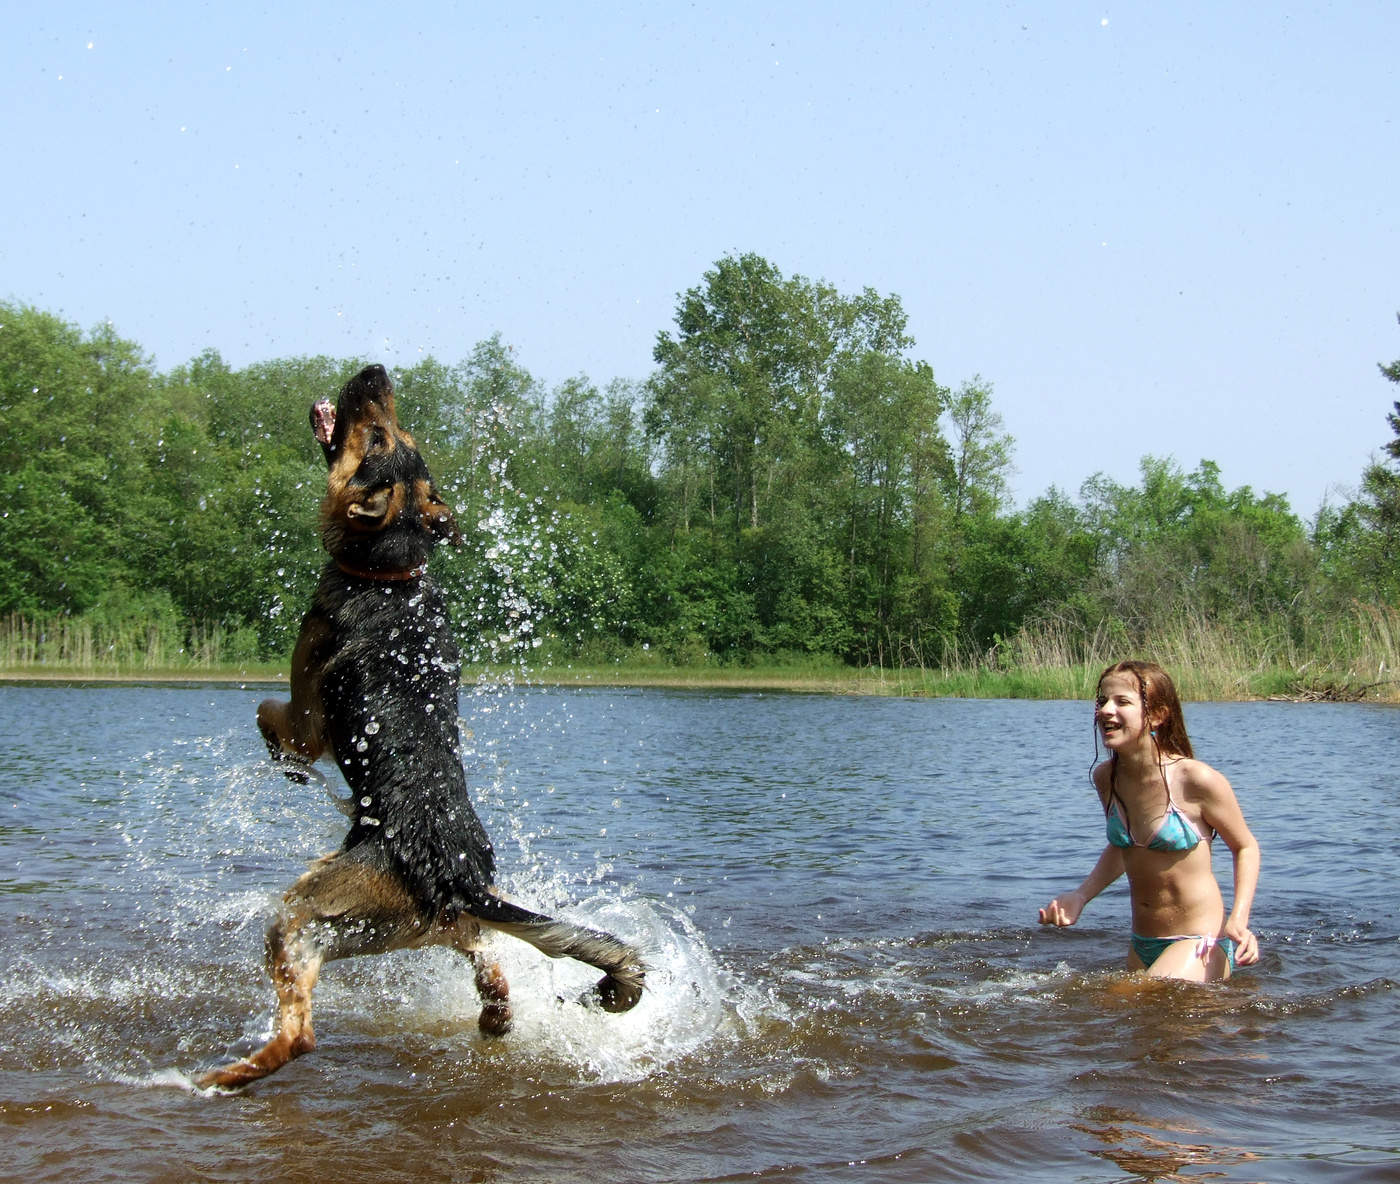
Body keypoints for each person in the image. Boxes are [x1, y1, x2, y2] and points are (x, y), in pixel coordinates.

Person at [1038, 659, 1260, 980]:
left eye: (1122, 702)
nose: (1104, 710)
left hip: (1198, 943)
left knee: (1123, 999)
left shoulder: (1196, 780)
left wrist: (1238, 918)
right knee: (1128, 1021)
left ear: (1156, 714)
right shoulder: (1106, 778)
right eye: (1102, 701)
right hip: (1142, 944)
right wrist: (1080, 896)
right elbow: (1123, 849)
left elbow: (1246, 847)